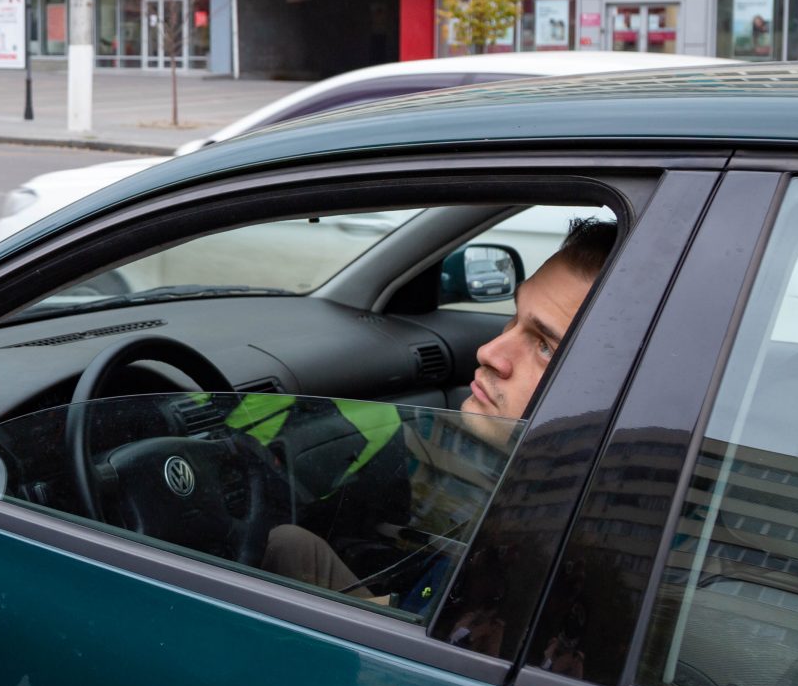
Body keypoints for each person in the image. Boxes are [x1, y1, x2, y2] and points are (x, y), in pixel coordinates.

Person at [259, 218, 619, 608]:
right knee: (292, 545)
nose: (489, 352)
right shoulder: (554, 494)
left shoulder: (551, 555)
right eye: (514, 316)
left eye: (546, 347)